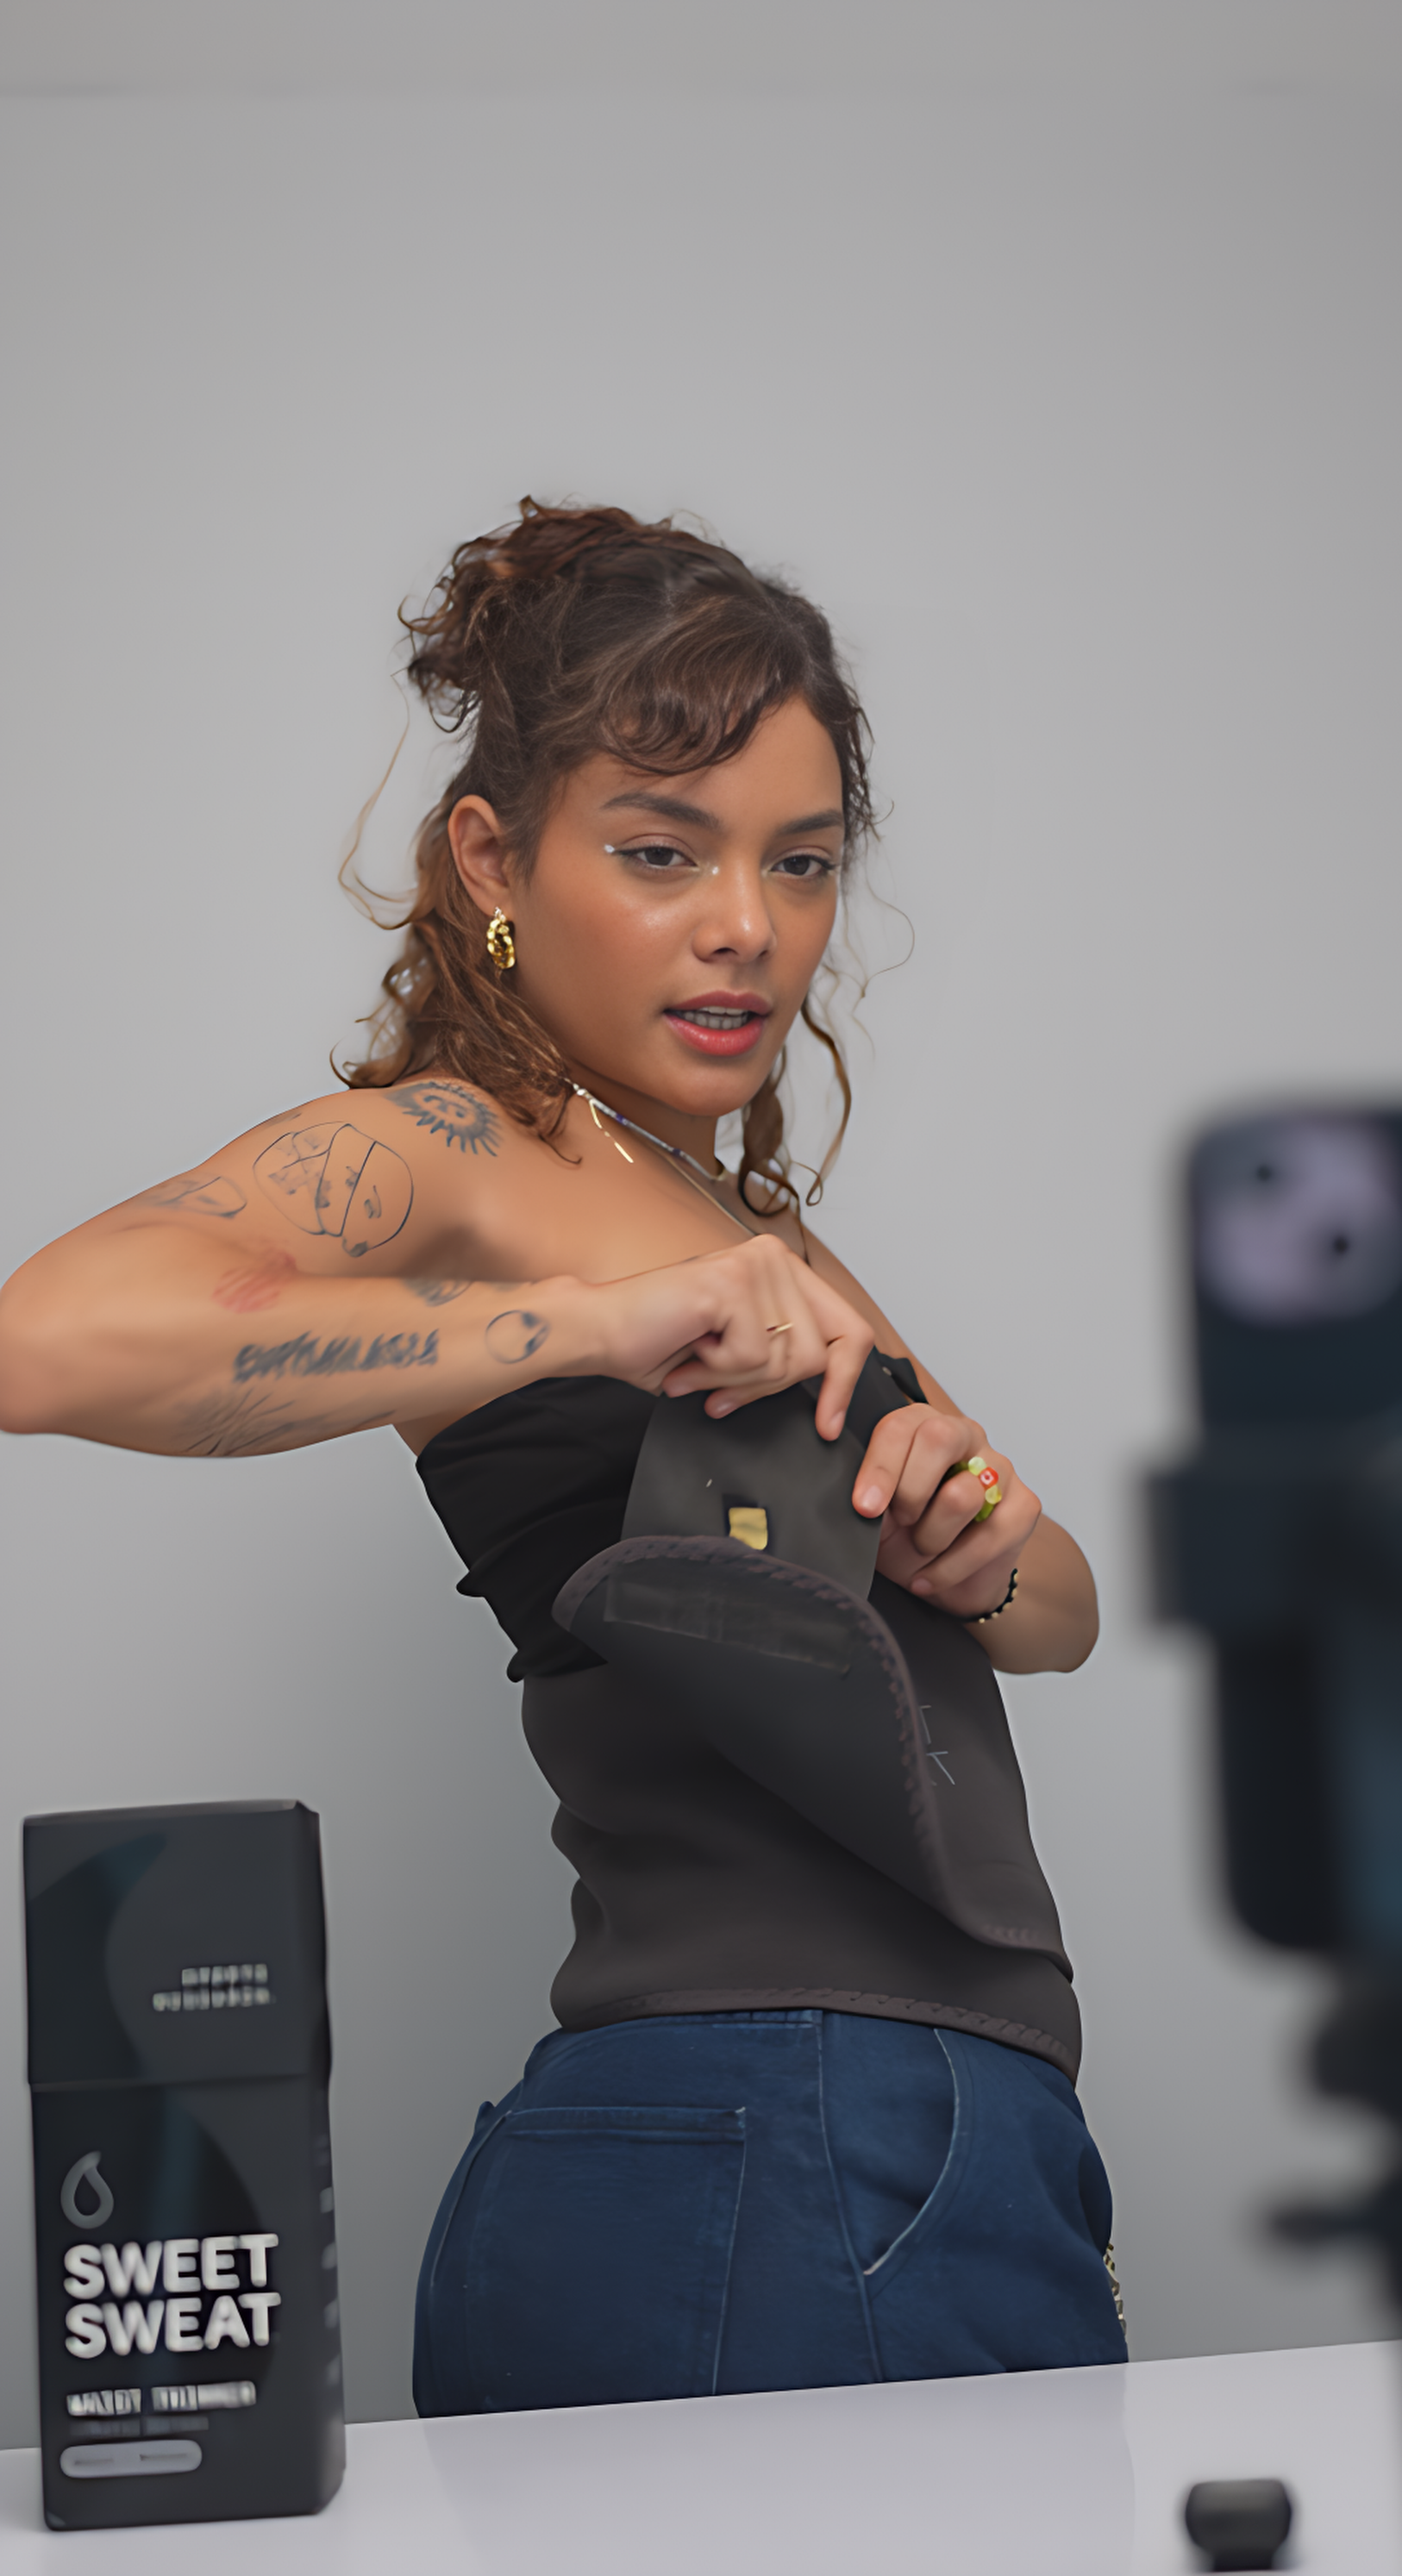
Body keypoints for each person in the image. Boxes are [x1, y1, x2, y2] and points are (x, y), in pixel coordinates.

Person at [0, 501, 1125, 2410]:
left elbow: (1060, 1614)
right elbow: (44, 1343)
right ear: (493, 861)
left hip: (898, 2131)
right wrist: (592, 1325)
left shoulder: (747, 1222)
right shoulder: (457, 1147)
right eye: (660, 851)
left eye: (801, 861)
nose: (745, 924)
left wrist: (969, 1529)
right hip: (796, 2125)